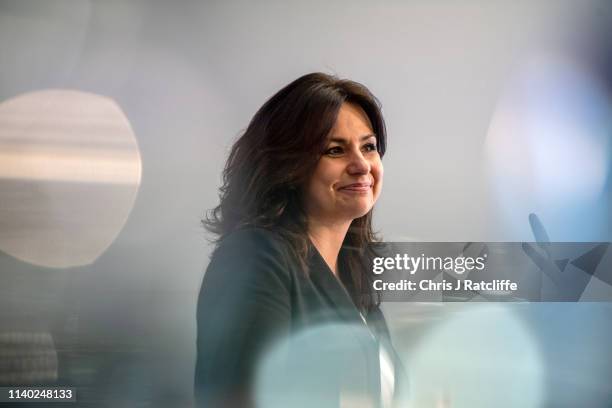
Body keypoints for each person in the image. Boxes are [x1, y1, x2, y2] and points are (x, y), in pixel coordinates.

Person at [195, 73, 402, 408]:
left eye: (369, 147)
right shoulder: (255, 258)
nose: (362, 165)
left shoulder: (357, 278)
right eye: (335, 150)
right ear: (289, 167)